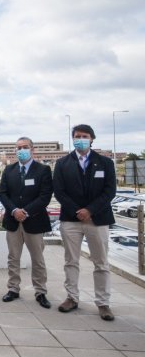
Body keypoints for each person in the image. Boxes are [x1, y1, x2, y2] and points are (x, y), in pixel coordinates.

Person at [53, 124, 116, 321]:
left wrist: (90, 210)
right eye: (77, 136)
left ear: (92, 139)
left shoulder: (105, 163)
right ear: (73, 139)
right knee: (71, 261)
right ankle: (72, 298)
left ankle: (103, 302)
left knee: (101, 263)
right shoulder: (63, 163)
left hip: (97, 219)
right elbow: (59, 191)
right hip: (71, 220)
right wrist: (76, 210)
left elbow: (109, 191)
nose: (81, 139)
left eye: (85, 136)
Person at [0, 137, 53, 309]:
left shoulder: (43, 170)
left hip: (34, 221)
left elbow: (45, 196)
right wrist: (15, 211)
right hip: (13, 221)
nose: (21, 150)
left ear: (32, 149)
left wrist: (26, 211)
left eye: (25, 147)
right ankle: (13, 289)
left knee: (37, 259)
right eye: (18, 147)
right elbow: (3, 194)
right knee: (13, 257)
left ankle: (40, 291)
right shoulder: (9, 170)